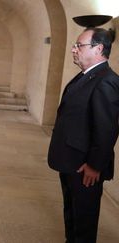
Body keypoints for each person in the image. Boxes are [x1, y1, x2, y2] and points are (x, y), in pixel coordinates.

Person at [48, 27, 119, 242]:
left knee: (84, 221)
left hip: (85, 167)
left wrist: (94, 165)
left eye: (79, 45)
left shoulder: (106, 81)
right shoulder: (86, 76)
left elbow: (106, 129)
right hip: (71, 161)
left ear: (98, 48)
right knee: (72, 213)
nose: (73, 49)